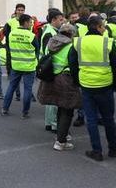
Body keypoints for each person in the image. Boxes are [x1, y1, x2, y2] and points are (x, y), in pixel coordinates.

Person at [68, 16, 116, 161]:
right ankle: (113, 149)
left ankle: (97, 150)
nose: (104, 29)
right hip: (105, 85)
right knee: (108, 119)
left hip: (87, 85)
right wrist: (115, 84)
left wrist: (78, 81)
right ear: (99, 27)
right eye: (103, 26)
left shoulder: (78, 42)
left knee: (92, 119)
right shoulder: (107, 42)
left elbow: (73, 65)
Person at [37, 23, 82, 151]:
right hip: (65, 79)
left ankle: (61, 135)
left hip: (51, 78)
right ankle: (61, 141)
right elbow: (73, 65)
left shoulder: (51, 42)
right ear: (71, 34)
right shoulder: (71, 46)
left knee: (60, 107)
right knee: (67, 110)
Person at [1, 14, 39, 118]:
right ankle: (25, 113)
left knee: (11, 87)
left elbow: (8, 47)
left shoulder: (11, 34)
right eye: (30, 22)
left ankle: (5, 109)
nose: (31, 24)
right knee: (27, 89)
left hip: (16, 65)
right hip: (29, 66)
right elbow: (37, 51)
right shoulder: (31, 36)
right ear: (26, 22)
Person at [40, 9, 65, 131]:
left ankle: (49, 122)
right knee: (54, 97)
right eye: (60, 19)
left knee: (51, 97)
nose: (63, 21)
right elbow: (47, 52)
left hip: (50, 68)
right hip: (51, 69)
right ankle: (54, 123)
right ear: (53, 20)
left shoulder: (51, 31)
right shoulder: (50, 33)